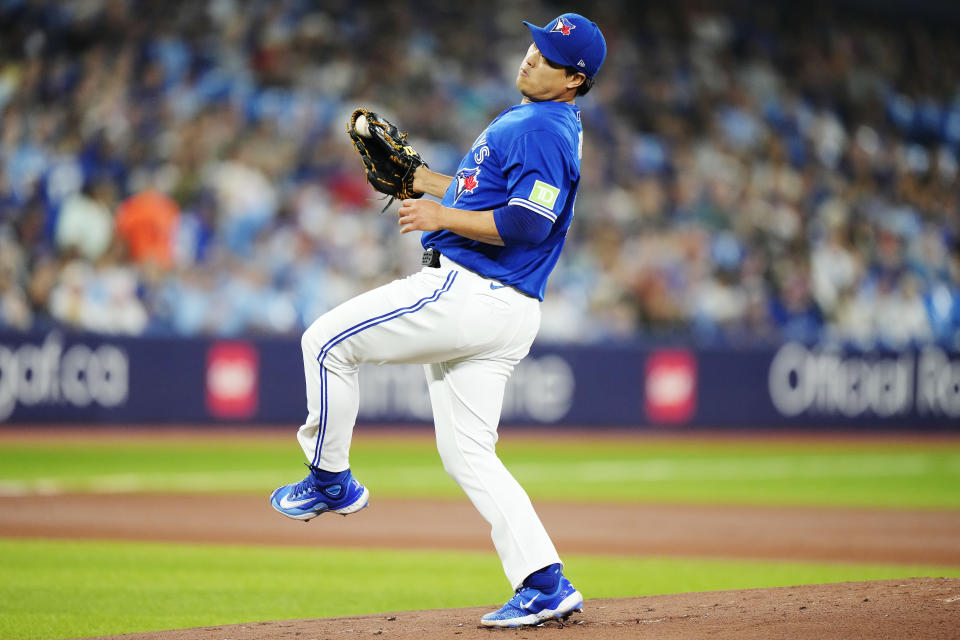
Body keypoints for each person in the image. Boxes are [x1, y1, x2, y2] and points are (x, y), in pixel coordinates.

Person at [270, 13, 606, 628]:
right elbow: (485, 194)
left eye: (549, 55)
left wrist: (438, 217)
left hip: (471, 293)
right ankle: (544, 582)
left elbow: (526, 223)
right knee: (468, 455)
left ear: (573, 79)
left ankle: (329, 479)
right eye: (534, 45)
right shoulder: (547, 121)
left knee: (324, 343)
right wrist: (422, 181)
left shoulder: (540, 126)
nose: (532, 57)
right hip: (507, 310)